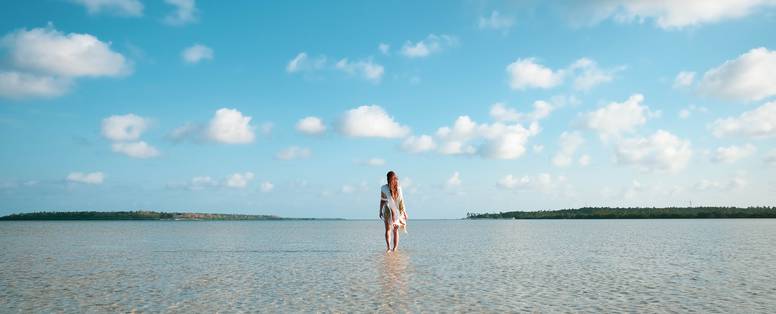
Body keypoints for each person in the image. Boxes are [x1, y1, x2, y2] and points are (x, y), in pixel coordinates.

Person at [379, 171, 408, 252]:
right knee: (388, 229)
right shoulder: (384, 188)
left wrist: (404, 212)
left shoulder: (398, 188)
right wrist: (380, 210)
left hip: (397, 210)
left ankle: (394, 248)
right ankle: (388, 248)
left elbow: (401, 201)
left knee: (395, 230)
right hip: (388, 209)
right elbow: (383, 200)